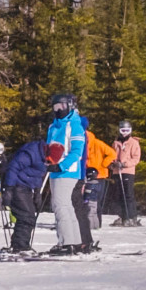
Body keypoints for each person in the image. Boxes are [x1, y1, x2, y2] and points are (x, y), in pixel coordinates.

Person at [45, 94, 87, 255]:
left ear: (69, 106)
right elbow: (49, 149)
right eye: (55, 107)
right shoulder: (53, 127)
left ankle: (66, 242)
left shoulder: (74, 125)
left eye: (61, 107)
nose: (58, 110)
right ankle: (75, 242)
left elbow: (77, 151)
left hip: (67, 171)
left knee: (60, 205)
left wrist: (61, 166)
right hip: (55, 171)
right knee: (66, 206)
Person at [2, 139, 48, 253]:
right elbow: (13, 168)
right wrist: (9, 189)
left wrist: (37, 192)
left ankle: (19, 244)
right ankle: (20, 246)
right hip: (16, 186)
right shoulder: (30, 153)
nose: (49, 164)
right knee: (26, 216)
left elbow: (37, 175)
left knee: (27, 216)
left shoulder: (44, 159)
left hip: (27, 187)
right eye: (49, 161)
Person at [81, 116, 116, 228]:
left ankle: (97, 224)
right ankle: (88, 222)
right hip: (86, 175)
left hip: (99, 175)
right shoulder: (81, 143)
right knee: (87, 199)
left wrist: (103, 165)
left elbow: (112, 153)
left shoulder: (97, 143)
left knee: (96, 200)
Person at [110, 120, 142, 227]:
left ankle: (131, 216)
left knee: (128, 194)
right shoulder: (116, 142)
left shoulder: (133, 142)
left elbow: (136, 158)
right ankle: (122, 216)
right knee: (118, 194)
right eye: (122, 130)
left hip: (127, 171)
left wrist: (124, 164)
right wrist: (113, 164)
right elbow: (111, 155)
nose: (124, 132)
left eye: (127, 130)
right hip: (117, 171)